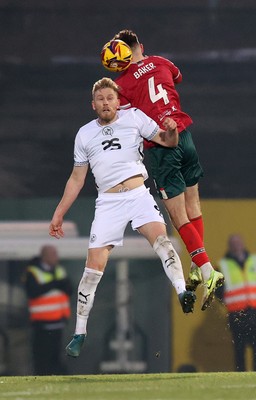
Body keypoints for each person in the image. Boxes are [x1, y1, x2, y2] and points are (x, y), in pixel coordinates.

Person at [49, 77, 196, 358]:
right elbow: (77, 178)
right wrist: (59, 213)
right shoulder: (84, 134)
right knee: (92, 269)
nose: (106, 102)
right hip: (107, 202)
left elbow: (166, 141)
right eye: (101, 99)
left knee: (162, 242)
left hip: (138, 194)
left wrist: (172, 131)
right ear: (93, 105)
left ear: (118, 102)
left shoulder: (134, 117)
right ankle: (79, 333)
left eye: (110, 97)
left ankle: (182, 291)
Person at [111, 29, 224, 310]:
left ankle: (208, 271)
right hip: (184, 134)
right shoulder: (162, 61)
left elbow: (123, 119)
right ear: (141, 46)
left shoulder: (121, 84)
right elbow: (177, 77)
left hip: (162, 144)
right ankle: (199, 267)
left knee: (176, 214)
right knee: (193, 203)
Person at [24, 245, 72, 375]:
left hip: (58, 322)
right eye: (53, 254)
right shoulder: (33, 272)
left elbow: (69, 289)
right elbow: (32, 292)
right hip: (42, 324)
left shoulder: (59, 270)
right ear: (44, 256)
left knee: (55, 355)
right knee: (41, 356)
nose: (56, 257)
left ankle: (56, 375)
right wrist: (55, 283)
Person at [218, 234, 256, 371]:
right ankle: (241, 374)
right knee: (239, 348)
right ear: (230, 246)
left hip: (254, 311)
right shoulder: (223, 266)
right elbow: (218, 290)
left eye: (238, 242)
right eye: (233, 243)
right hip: (237, 313)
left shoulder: (254, 261)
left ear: (243, 244)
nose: (236, 245)